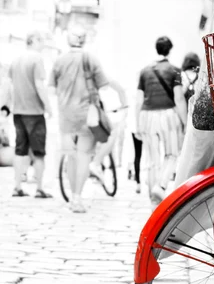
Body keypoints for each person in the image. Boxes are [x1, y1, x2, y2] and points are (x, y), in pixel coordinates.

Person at [49, 25, 127, 213]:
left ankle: (70, 197)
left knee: (70, 156)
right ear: (84, 40)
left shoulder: (59, 60)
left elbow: (51, 88)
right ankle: (76, 198)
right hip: (87, 115)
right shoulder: (90, 58)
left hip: (66, 116)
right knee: (84, 156)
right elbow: (104, 86)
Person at [136, 36, 187, 209]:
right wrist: (185, 121)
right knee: (172, 154)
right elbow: (179, 98)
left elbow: (139, 99)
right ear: (169, 50)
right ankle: (161, 185)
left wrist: (138, 123)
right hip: (168, 115)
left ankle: (152, 198)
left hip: (147, 115)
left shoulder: (144, 71)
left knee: (151, 158)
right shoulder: (175, 71)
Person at [8, 30, 53, 198]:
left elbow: (10, 86)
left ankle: (17, 186)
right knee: (39, 151)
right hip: (34, 112)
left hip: (18, 111)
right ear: (33, 41)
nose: (42, 45)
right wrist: (48, 107)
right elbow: (39, 85)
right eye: (41, 41)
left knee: (20, 149)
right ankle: (40, 188)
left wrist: (9, 105)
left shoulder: (16, 59)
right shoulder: (37, 59)